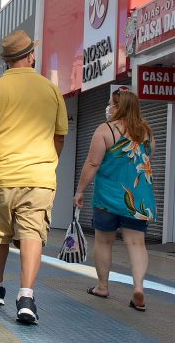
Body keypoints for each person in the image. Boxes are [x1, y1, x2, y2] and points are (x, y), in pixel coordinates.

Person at [0, 30, 68, 325]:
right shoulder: (51, 90)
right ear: (31, 55)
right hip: (39, 177)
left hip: (1, 176)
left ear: (7, 61)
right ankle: (26, 297)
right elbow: (60, 136)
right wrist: (47, 163)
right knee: (33, 233)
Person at [74, 89, 155, 312]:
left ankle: (102, 286)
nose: (108, 106)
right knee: (137, 243)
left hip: (108, 197)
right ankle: (138, 288)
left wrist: (80, 190)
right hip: (138, 200)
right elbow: (147, 158)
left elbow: (92, 163)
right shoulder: (147, 132)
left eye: (111, 103)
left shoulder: (105, 130)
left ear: (118, 107)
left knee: (104, 241)